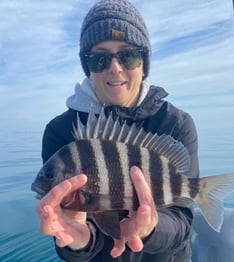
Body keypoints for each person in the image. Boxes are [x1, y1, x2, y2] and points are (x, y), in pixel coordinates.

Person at [35, 0, 199, 261]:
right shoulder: (60, 132)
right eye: (100, 58)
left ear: (144, 63)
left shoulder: (175, 124)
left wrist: (151, 229)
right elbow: (70, 227)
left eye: (128, 55)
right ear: (88, 67)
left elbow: (181, 222)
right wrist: (79, 242)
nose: (115, 68)